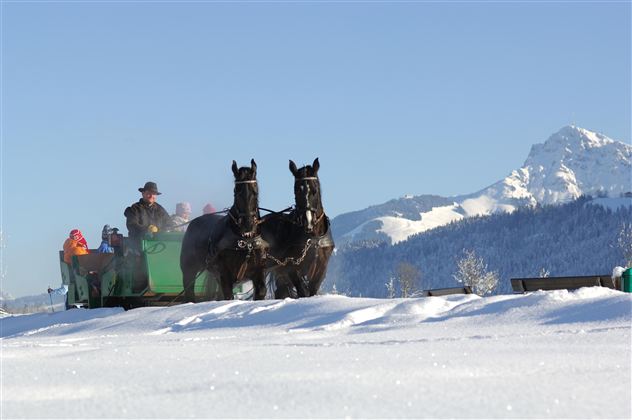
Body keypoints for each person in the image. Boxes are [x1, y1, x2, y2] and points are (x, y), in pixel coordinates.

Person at [124, 181, 171, 246]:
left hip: (159, 244)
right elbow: (132, 225)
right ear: (143, 193)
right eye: (149, 193)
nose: (152, 196)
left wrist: (164, 230)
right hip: (138, 245)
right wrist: (146, 230)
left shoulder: (160, 210)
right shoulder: (135, 208)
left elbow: (169, 223)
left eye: (154, 194)